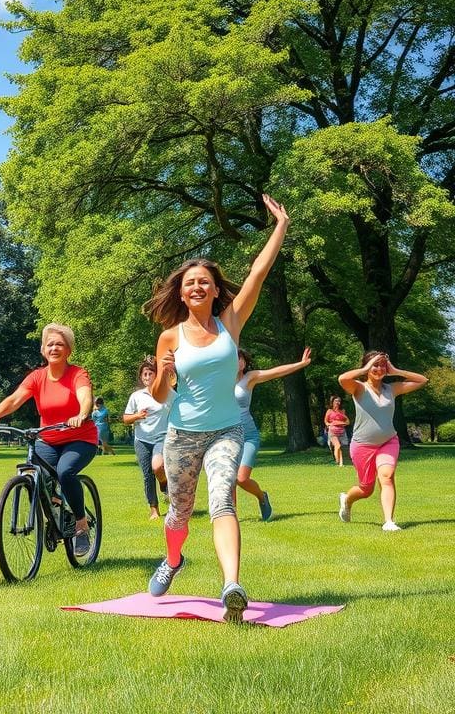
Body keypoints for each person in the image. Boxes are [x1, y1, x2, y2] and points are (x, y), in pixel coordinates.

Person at [142, 193, 289, 623]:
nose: (197, 286)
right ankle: (172, 561)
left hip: (227, 430)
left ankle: (231, 586)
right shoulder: (170, 336)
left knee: (224, 499)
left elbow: (258, 274)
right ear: (182, 294)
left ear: (213, 288)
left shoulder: (232, 322)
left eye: (204, 280)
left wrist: (279, 225)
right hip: (182, 434)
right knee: (179, 513)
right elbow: (157, 398)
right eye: (190, 283)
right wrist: (165, 373)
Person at [0, 323, 99, 557]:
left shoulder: (77, 374)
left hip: (80, 438)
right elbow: (15, 400)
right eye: (50, 344)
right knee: (38, 473)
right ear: (43, 350)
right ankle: (57, 509)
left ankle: (81, 525)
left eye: (60, 344)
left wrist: (82, 414)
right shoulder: (37, 377)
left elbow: (85, 396)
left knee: (65, 472)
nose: (54, 348)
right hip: (48, 438)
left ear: (68, 351)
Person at [337, 351, 427, 531]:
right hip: (362, 445)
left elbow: (422, 380)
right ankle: (346, 499)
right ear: (367, 368)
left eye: (382, 364)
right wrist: (365, 367)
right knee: (366, 489)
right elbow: (342, 379)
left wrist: (395, 370)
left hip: (388, 441)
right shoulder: (359, 388)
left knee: (387, 477)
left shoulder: (391, 389)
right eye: (374, 365)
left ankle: (389, 521)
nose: (379, 368)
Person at [234, 347, 312, 521]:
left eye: (241, 358)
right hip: (227, 436)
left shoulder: (250, 378)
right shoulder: (220, 380)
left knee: (241, 478)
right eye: (235, 358)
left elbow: (275, 372)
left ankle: (262, 496)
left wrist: (300, 364)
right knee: (228, 479)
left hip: (248, 436)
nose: (239, 361)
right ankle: (230, 516)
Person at [123, 357, 170, 520]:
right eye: (145, 374)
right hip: (142, 440)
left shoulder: (166, 392)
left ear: (156, 376)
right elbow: (125, 418)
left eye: (151, 373)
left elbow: (180, 407)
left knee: (157, 468)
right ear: (141, 377)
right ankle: (154, 509)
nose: (148, 377)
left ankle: (164, 484)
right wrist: (137, 415)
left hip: (161, 438)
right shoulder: (137, 396)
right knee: (147, 475)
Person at [324, 396, 350, 467]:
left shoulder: (342, 411)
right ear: (332, 402)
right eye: (336, 401)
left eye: (339, 401)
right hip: (333, 432)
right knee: (337, 446)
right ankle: (337, 461)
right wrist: (329, 424)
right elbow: (326, 421)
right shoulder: (329, 411)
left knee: (342, 447)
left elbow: (347, 421)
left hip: (342, 432)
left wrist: (340, 422)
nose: (338, 402)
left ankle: (341, 464)